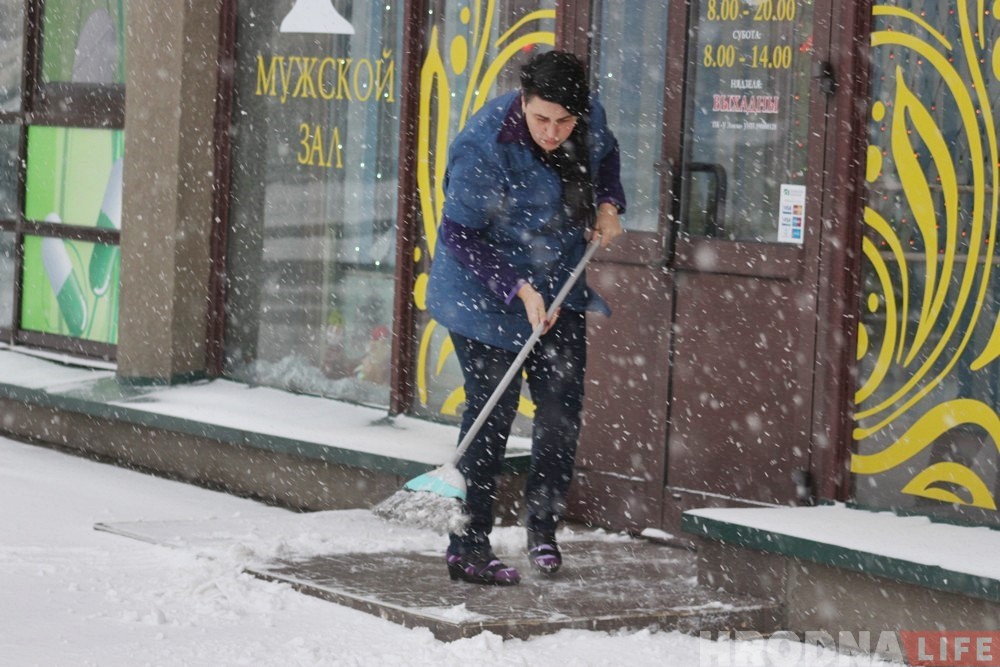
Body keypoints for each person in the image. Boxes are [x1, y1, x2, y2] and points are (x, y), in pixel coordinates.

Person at [426, 50, 626, 586]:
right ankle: (468, 546)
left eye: (564, 121)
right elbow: (459, 233)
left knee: (561, 411)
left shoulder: (587, 120)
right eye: (541, 118)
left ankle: (543, 529)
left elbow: (607, 157)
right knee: (492, 416)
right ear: (524, 100)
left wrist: (609, 204)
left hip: (558, 284)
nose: (552, 132)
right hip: (483, 295)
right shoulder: (484, 147)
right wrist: (517, 288)